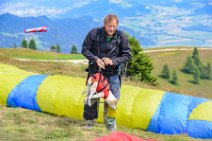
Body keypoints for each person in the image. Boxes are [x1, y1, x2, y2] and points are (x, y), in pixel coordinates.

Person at [81, 14, 132, 131]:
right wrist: (95, 59)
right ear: (104, 25)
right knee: (91, 98)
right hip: (95, 72)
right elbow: (85, 49)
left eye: (114, 26)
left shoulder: (121, 37)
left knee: (112, 101)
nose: (112, 29)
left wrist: (113, 61)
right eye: (110, 26)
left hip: (113, 75)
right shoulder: (94, 33)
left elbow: (127, 55)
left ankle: (110, 125)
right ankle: (88, 123)